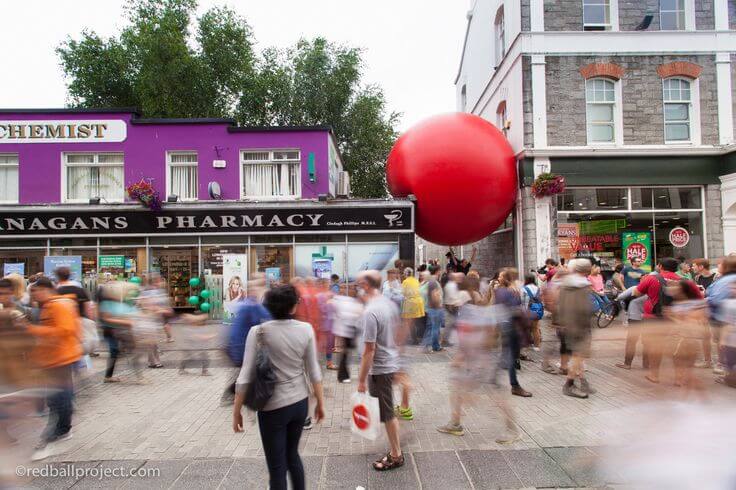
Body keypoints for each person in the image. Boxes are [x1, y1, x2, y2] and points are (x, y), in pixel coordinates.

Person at [233, 284, 325, 490]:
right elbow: (314, 371)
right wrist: (320, 402)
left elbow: (245, 375)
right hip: (300, 403)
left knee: (276, 467)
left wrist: (237, 410)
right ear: (293, 307)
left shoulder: (257, 332)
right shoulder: (306, 329)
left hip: (272, 408)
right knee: (293, 455)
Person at [27, 277, 82, 461]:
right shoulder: (50, 306)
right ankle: (63, 429)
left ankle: (50, 437)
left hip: (61, 359)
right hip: (55, 360)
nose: (32, 296)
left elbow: (65, 330)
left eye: (34, 292)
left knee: (58, 400)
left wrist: (33, 330)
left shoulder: (58, 306)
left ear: (44, 290)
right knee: (59, 399)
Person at [355, 270, 404, 471]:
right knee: (387, 410)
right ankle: (396, 449)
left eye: (358, 284)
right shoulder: (387, 304)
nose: (356, 287)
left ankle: (396, 455)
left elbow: (369, 350)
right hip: (390, 362)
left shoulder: (371, 312)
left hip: (380, 368)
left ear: (366, 285)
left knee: (387, 413)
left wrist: (360, 380)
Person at [222, 274, 271, 405]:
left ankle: (234, 395)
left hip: (238, 346)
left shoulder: (247, 304)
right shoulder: (251, 306)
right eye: (260, 285)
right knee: (248, 373)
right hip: (241, 347)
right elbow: (268, 320)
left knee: (244, 373)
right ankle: (233, 395)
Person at [631, 257, 681, 383]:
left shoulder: (652, 278)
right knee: (675, 347)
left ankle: (654, 375)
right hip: (674, 318)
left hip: (653, 317)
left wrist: (642, 282)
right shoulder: (682, 280)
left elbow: (636, 293)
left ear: (660, 266)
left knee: (654, 346)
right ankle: (679, 379)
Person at [557, 259, 595, 398]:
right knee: (578, 356)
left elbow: (561, 305)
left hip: (570, 325)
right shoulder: (580, 285)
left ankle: (582, 381)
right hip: (578, 326)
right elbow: (582, 308)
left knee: (577, 356)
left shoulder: (567, 283)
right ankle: (569, 384)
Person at [493, 269, 532, 397]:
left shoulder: (500, 291)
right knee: (510, 355)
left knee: (507, 353)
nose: (499, 278)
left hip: (506, 325)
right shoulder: (508, 292)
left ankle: (492, 376)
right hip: (510, 325)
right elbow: (516, 307)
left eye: (500, 276)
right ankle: (514, 385)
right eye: (499, 276)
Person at [669, 280, 707, 391]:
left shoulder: (697, 304)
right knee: (677, 357)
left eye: (678, 288)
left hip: (691, 336)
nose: (675, 289)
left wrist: (680, 318)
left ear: (684, 290)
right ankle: (678, 377)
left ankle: (685, 376)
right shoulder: (676, 303)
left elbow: (700, 319)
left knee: (690, 358)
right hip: (678, 335)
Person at [703, 255, 736, 373]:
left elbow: (716, 299)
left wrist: (705, 300)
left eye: (720, 264)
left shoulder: (725, 280)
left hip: (722, 318)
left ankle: (724, 366)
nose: (717, 266)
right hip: (724, 317)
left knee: (723, 344)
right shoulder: (722, 278)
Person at [331, 284, 364, 383]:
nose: (351, 290)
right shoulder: (342, 300)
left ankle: (345, 375)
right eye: (349, 289)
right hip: (346, 331)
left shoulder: (354, 301)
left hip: (353, 330)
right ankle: (343, 376)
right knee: (345, 354)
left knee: (349, 353)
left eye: (353, 289)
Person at [400, 268, 425, 344]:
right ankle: (421, 338)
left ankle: (414, 340)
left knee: (409, 322)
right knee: (417, 321)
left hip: (410, 303)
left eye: (404, 273)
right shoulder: (416, 280)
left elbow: (403, 292)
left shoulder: (405, 282)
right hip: (419, 302)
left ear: (406, 274)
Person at [521, 274, 542, 351]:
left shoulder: (524, 289)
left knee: (526, 328)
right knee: (535, 328)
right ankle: (537, 346)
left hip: (528, 310)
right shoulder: (538, 288)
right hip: (537, 310)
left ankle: (526, 345)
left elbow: (523, 302)